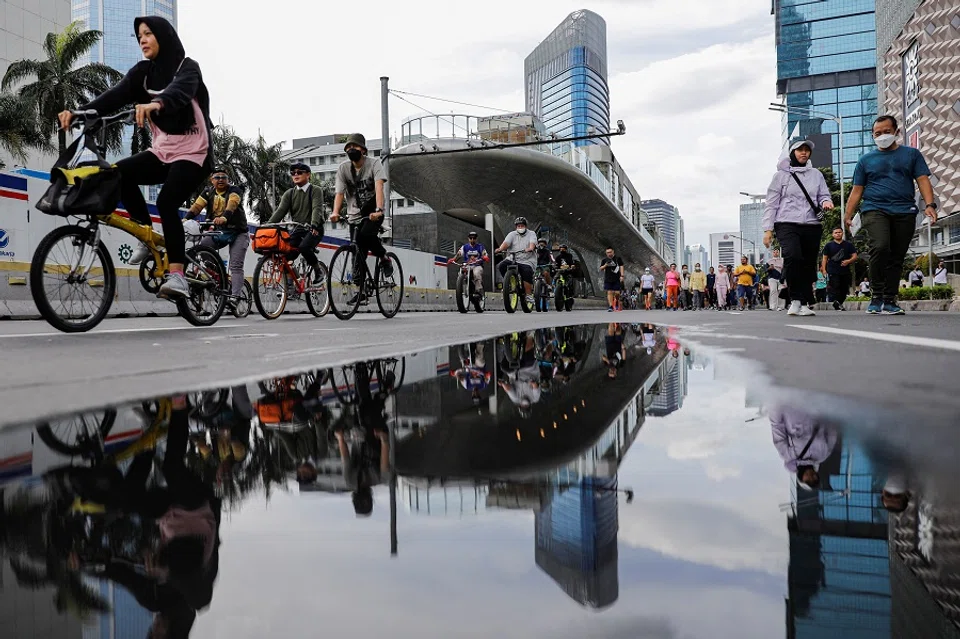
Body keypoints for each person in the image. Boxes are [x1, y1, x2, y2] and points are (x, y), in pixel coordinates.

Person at [59, 16, 214, 299]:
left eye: (148, 34)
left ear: (164, 36)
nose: (142, 39)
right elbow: (113, 97)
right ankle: (145, 231)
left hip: (195, 153)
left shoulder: (187, 67)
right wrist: (79, 112)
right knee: (117, 173)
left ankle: (178, 276)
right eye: (139, 36)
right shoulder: (142, 73)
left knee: (167, 201)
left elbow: (180, 92)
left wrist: (156, 103)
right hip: (163, 151)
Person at [845, 115, 937, 315]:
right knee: (880, 246)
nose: (882, 136)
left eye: (886, 132)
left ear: (896, 132)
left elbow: (922, 180)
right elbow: (857, 190)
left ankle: (890, 300)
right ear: (872, 136)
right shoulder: (865, 160)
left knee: (896, 257)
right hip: (874, 208)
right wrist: (848, 215)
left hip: (905, 210)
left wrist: (930, 205)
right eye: (877, 133)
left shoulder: (911, 155)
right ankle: (876, 296)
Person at [762, 139, 834, 317]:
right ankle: (795, 300)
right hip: (786, 223)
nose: (804, 153)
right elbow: (771, 203)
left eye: (807, 150)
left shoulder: (816, 174)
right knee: (793, 257)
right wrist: (768, 230)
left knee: (808, 264)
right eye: (800, 150)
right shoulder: (780, 176)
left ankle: (803, 302)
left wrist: (826, 202)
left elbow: (824, 194)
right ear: (792, 152)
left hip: (811, 224)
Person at [330, 133, 391, 297]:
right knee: (357, 255)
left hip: (373, 213)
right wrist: (335, 212)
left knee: (365, 235)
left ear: (363, 150)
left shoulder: (374, 164)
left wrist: (379, 210)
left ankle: (384, 257)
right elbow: (339, 193)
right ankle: (360, 290)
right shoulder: (344, 169)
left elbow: (379, 188)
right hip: (354, 216)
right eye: (348, 147)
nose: (351, 149)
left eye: (354, 147)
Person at [185, 168, 249, 303]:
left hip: (238, 233)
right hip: (219, 231)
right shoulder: (208, 192)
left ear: (228, 180)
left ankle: (235, 297)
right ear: (211, 179)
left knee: (236, 266)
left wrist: (225, 218)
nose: (220, 179)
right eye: (217, 177)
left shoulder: (234, 190)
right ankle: (218, 275)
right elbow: (197, 207)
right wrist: (186, 219)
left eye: (223, 177)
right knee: (202, 247)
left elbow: (232, 204)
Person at [267, 162, 326, 283]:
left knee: (304, 247)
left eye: (299, 172)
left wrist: (314, 224)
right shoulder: (290, 193)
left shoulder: (315, 190)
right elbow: (280, 211)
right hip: (298, 229)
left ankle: (318, 270)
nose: (296, 175)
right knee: (286, 254)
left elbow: (317, 209)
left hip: (314, 228)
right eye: (293, 173)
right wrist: (268, 225)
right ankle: (292, 283)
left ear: (308, 174)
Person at [770, 403, 839, 490]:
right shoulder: (823, 455)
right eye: (815, 479)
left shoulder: (788, 455)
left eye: (808, 480)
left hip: (791, 404)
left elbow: (777, 426)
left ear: (800, 479)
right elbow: (832, 432)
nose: (811, 477)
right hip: (816, 404)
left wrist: (775, 404)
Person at [495, 217, 537, 306]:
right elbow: (506, 243)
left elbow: (532, 243)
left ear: (525, 226)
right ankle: (509, 283)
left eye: (522, 225)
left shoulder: (531, 233)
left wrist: (530, 248)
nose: (520, 227)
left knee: (526, 271)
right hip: (512, 257)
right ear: (516, 227)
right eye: (518, 226)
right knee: (502, 265)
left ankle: (528, 294)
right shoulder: (512, 234)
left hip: (526, 260)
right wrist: (500, 249)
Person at [821, 227, 858, 311]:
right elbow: (824, 258)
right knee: (835, 286)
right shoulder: (828, 245)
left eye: (839, 232)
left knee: (844, 288)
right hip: (832, 270)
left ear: (842, 233)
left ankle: (838, 302)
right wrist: (824, 270)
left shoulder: (848, 245)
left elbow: (855, 256)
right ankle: (836, 302)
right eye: (836, 232)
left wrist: (848, 261)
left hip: (845, 270)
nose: (838, 234)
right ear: (833, 234)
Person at [448, 231, 489, 298]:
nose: (472, 240)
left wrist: (485, 257)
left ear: (476, 239)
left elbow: (484, 254)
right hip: (467, 265)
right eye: (471, 238)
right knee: (461, 271)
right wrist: (453, 259)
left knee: (476, 273)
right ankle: (460, 288)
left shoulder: (480, 247)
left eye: (474, 238)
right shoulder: (464, 247)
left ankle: (478, 290)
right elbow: (459, 254)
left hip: (477, 265)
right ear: (468, 238)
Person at [599, 247, 624, 312]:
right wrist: (605, 265)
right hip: (608, 278)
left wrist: (622, 275)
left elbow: (621, 266)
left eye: (610, 252)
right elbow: (601, 268)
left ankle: (616, 301)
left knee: (617, 293)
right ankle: (610, 306)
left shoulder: (618, 259)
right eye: (607, 252)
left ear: (613, 252)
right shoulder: (604, 260)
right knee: (609, 292)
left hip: (616, 278)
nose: (609, 254)